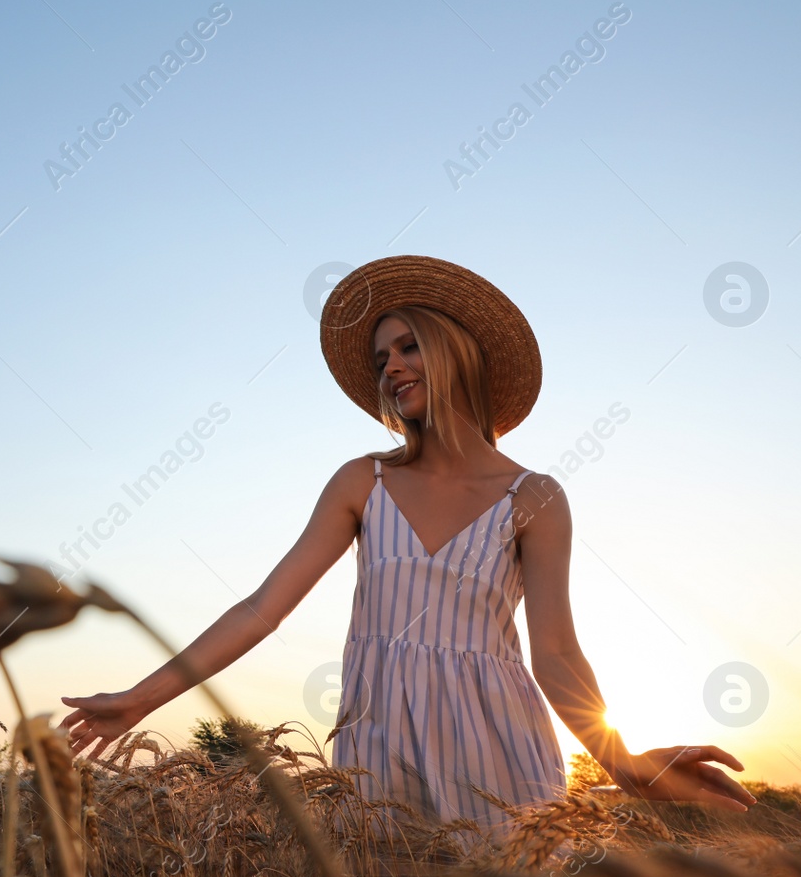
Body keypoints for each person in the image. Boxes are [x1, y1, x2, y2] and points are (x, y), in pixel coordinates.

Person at [58, 255, 756, 826]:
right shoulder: (362, 482)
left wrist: (623, 761)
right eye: (381, 356)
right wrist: (142, 697)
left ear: (455, 351)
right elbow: (260, 609)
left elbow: (557, 653)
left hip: (502, 760)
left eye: (408, 345)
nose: (389, 367)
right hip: (378, 759)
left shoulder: (536, 497)